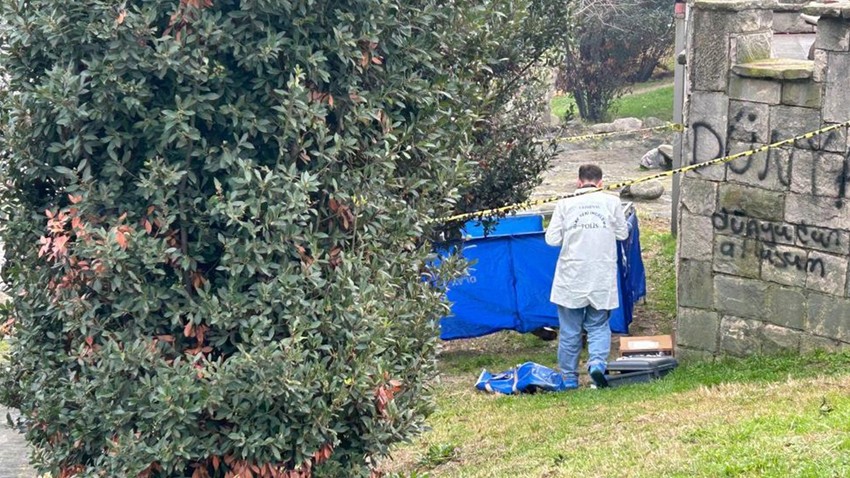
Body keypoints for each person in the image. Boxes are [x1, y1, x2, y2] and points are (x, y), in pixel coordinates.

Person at [544, 164, 629, 389]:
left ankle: (569, 378)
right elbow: (623, 233)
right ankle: (597, 365)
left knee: (570, 329)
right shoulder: (612, 202)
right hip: (601, 274)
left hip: (571, 276)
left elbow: (551, 240)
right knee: (599, 324)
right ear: (601, 183)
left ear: (578, 182)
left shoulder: (564, 204)